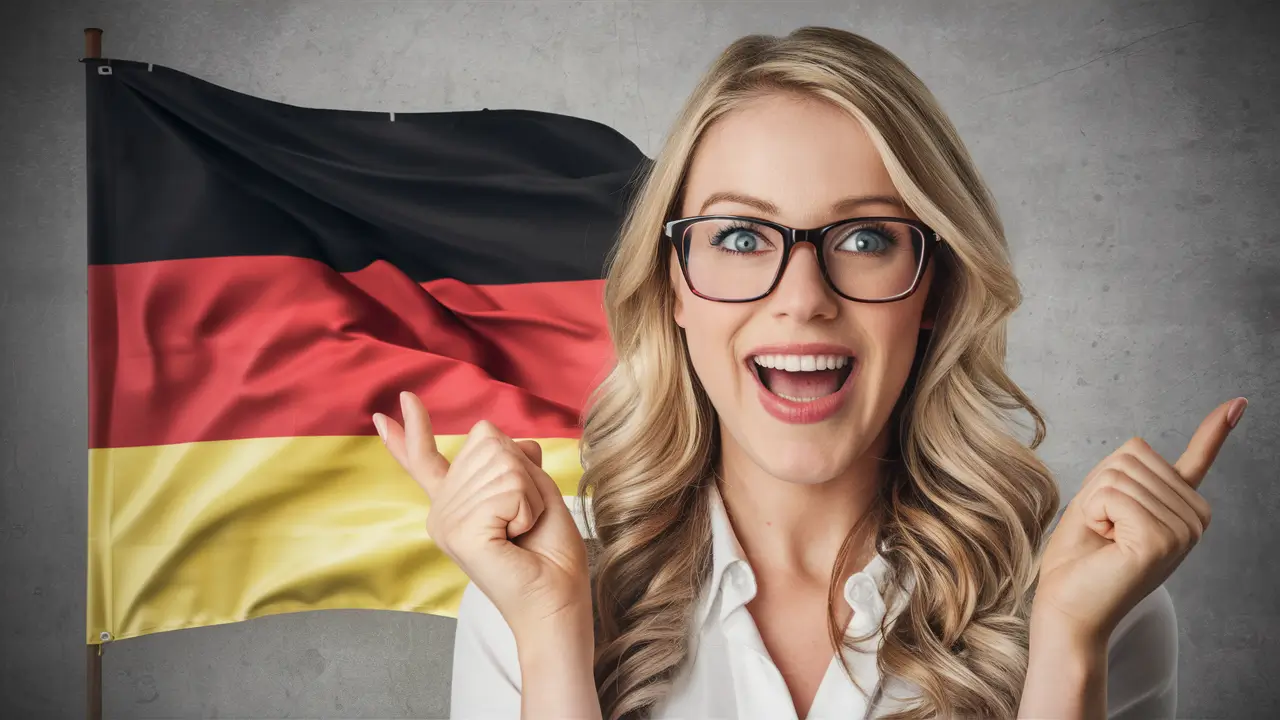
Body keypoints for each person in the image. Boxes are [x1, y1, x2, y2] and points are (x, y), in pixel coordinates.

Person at [371, 26, 1246, 720]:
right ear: (675, 286)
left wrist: (1067, 650)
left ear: (933, 288)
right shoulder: (532, 599)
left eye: (864, 239)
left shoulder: (1091, 603)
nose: (802, 300)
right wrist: (552, 634)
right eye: (741, 238)